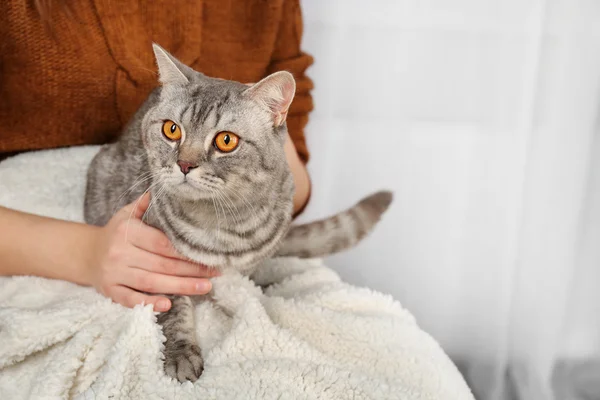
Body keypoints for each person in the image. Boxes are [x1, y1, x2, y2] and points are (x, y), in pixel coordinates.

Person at [0, 0, 313, 312]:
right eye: (174, 133)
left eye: (225, 141)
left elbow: (294, 171)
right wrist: (88, 254)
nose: (186, 163)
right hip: (34, 244)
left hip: (242, 233)